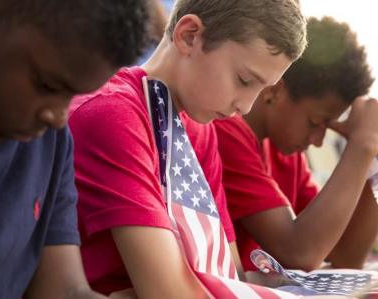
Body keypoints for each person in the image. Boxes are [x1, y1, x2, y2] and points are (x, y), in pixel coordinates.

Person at [68, 0, 307, 297]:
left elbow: (226, 272)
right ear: (189, 35)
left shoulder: (200, 129)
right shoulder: (114, 115)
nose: (245, 107)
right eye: (244, 80)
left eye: (262, 90)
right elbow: (168, 293)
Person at [0, 0, 152, 298]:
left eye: (75, 95)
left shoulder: (49, 140)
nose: (57, 116)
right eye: (48, 86)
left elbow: (63, 290)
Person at [213, 16, 378, 273]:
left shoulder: (286, 153)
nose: (318, 141)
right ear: (276, 89)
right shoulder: (225, 130)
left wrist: (376, 157)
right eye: (315, 122)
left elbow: (345, 258)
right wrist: (362, 144)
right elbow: (299, 253)